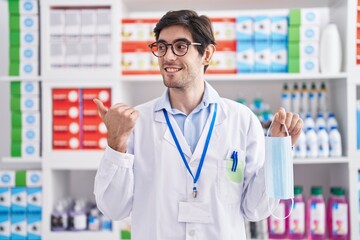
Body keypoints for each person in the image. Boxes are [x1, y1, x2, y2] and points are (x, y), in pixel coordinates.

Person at [93, 9, 303, 240]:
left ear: (207, 54)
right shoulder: (136, 122)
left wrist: (278, 151)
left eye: (181, 46)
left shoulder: (241, 119)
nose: (168, 57)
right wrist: (116, 142)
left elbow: (256, 209)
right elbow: (114, 208)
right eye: (162, 47)